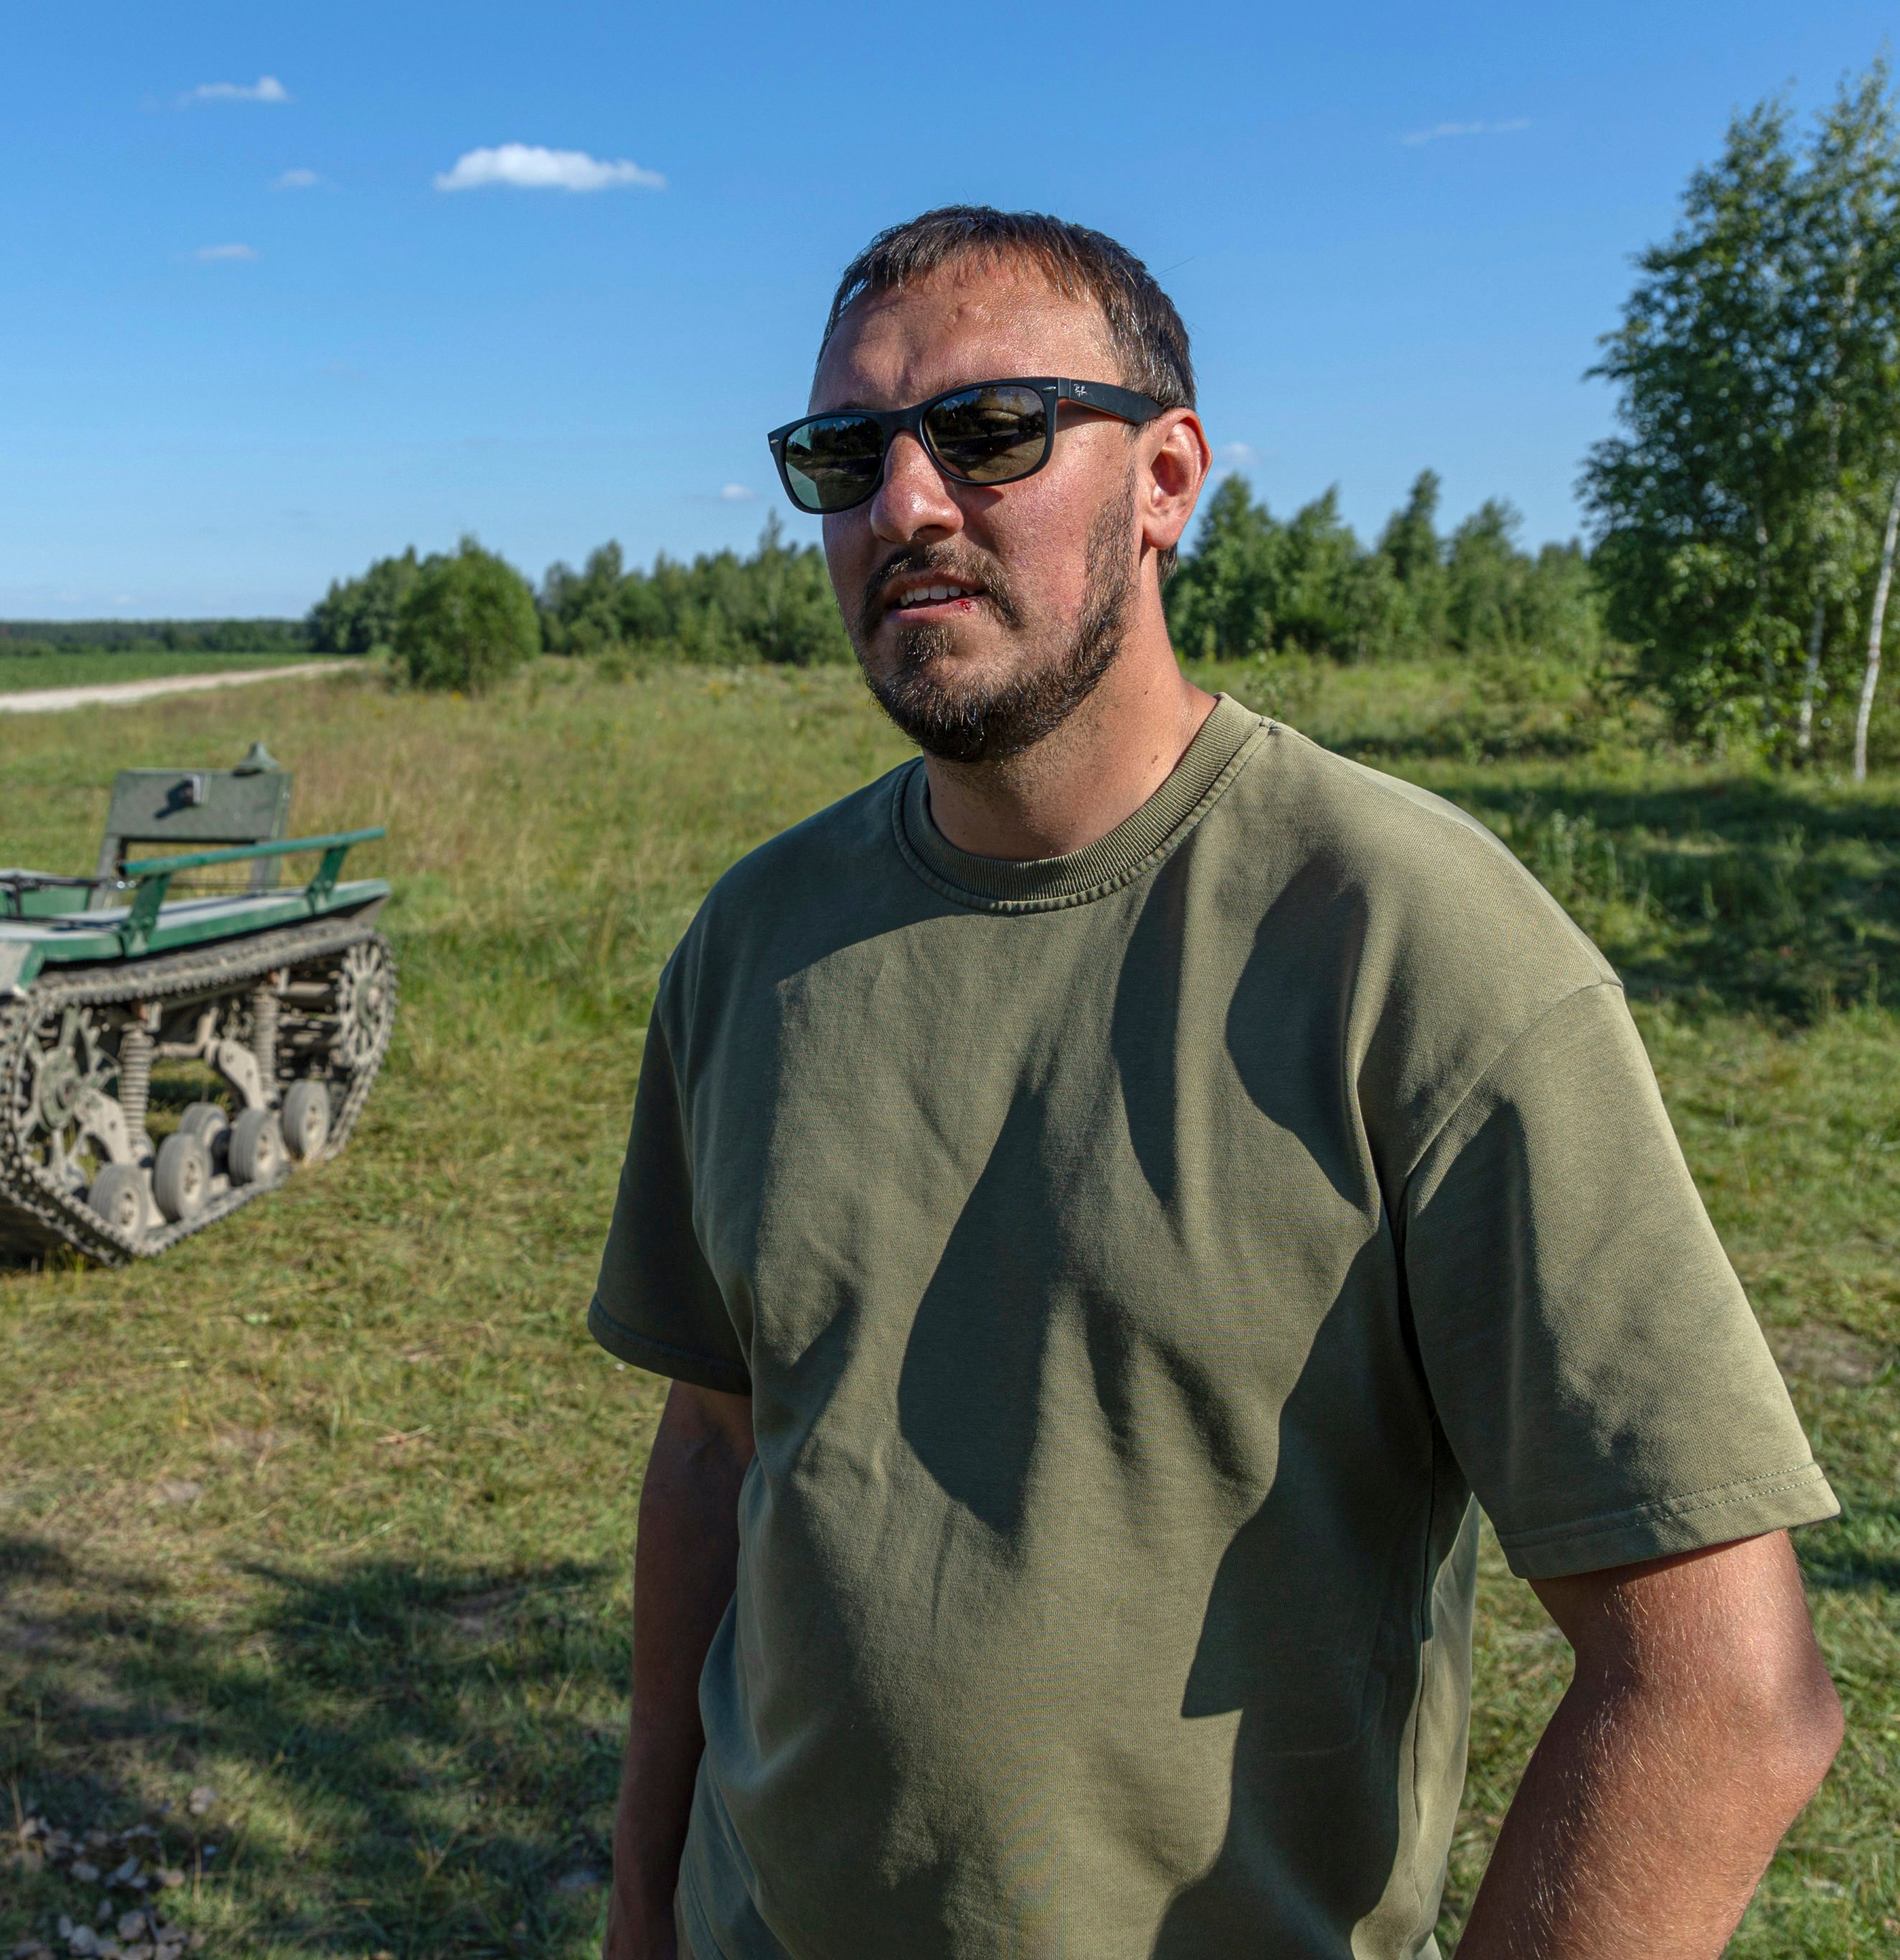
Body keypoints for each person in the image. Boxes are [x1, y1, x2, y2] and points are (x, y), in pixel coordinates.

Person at [589, 206, 1844, 1960]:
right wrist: (642, 1898)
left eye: (988, 431)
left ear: (1166, 476)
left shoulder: (1411, 940)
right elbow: (717, 1455)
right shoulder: (752, 946)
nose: (904, 506)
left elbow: (1722, 1697)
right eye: (840, 454)